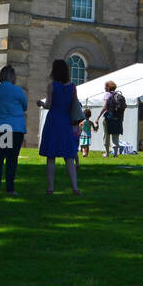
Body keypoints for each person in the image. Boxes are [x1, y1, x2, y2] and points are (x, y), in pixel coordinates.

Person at [37, 59, 81, 195]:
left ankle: (50, 188)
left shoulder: (52, 86)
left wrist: (40, 103)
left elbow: (49, 105)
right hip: (66, 121)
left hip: (53, 121)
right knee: (68, 156)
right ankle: (75, 187)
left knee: (51, 156)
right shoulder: (72, 87)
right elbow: (75, 104)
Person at [0, 66, 27, 196]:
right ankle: (10, 188)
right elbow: (24, 106)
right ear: (12, 76)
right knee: (11, 159)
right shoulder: (18, 91)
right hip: (14, 127)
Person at [93, 80, 126, 156]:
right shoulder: (118, 95)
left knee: (106, 135)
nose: (104, 88)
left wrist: (98, 117)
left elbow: (105, 106)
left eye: (105, 86)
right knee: (115, 135)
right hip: (118, 118)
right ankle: (115, 154)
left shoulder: (107, 94)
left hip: (109, 118)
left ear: (108, 87)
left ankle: (107, 153)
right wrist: (122, 118)